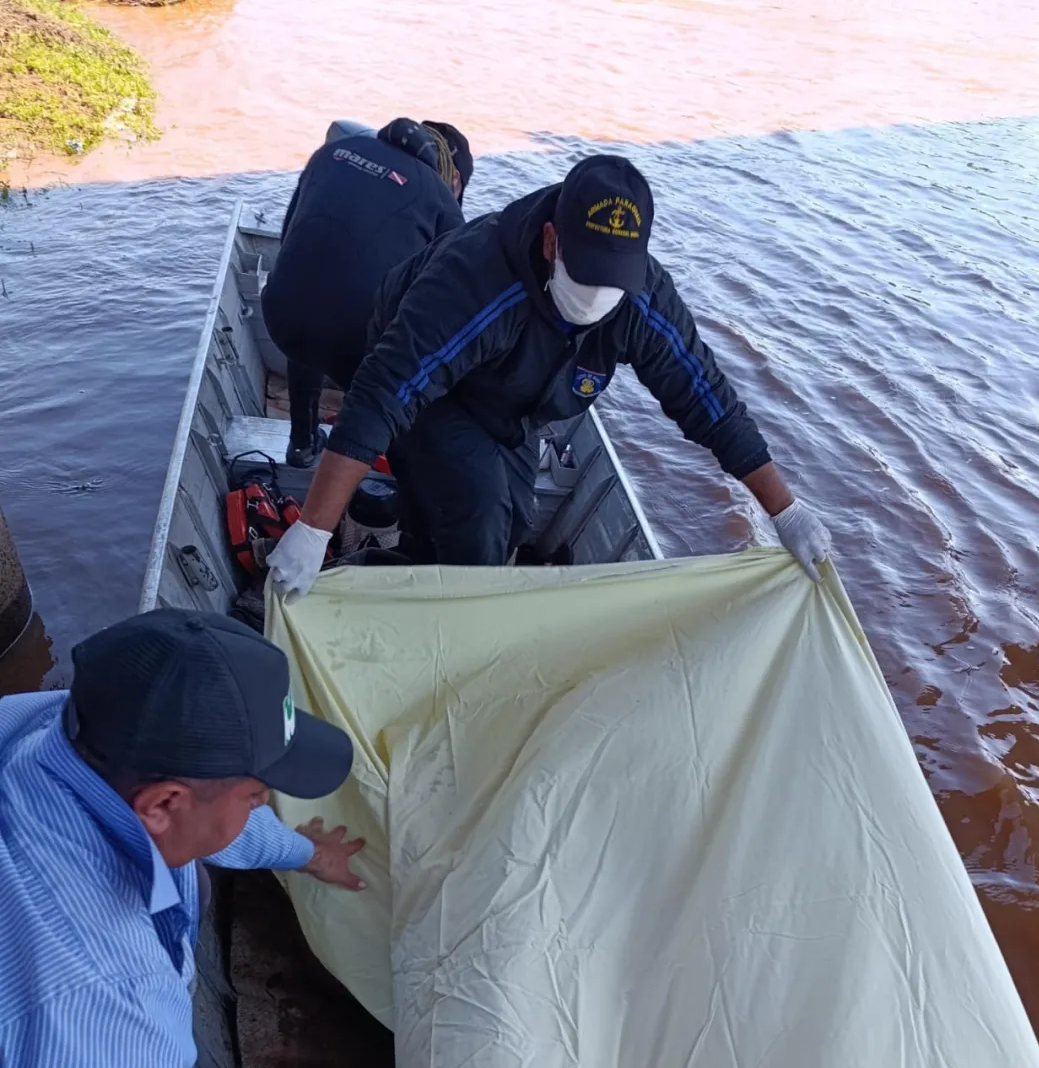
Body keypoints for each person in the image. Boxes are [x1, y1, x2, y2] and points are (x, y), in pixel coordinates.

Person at [267, 154, 831, 590]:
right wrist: (314, 526)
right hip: (437, 386)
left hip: (517, 403)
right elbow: (385, 393)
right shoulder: (478, 279)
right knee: (479, 524)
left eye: (614, 282)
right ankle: (416, 603)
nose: (597, 296)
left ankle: (409, 554)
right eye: (586, 275)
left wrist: (787, 511)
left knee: (515, 519)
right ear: (551, 240)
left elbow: (707, 401)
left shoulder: (642, 299)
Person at [0, 609, 365, 1067]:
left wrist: (306, 853)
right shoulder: (116, 1011)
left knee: (193, 876)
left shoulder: (58, 721)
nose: (264, 802)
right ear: (162, 805)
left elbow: (208, 811)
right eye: (255, 794)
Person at [262, 117, 473, 467]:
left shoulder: (333, 152)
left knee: (310, 299)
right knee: (402, 375)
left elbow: (288, 241)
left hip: (280, 321)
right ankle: (384, 463)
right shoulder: (441, 200)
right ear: (453, 176)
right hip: (352, 350)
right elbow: (448, 308)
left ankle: (301, 445)